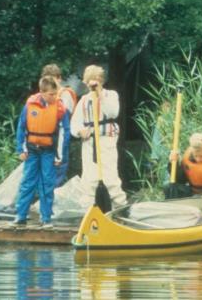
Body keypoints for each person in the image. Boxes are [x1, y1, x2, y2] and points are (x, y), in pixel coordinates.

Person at [12, 76, 70, 228]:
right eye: (51, 94)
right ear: (42, 92)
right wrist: (21, 149)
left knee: (47, 183)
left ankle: (46, 218)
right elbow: (22, 128)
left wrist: (60, 155)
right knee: (27, 182)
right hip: (31, 149)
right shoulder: (30, 105)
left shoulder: (60, 108)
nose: (54, 97)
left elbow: (65, 133)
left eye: (56, 93)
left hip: (49, 151)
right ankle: (21, 215)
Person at [70, 65, 127, 207]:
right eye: (89, 80)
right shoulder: (83, 100)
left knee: (110, 177)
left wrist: (100, 94)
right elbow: (74, 124)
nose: (92, 84)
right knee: (89, 178)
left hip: (106, 140)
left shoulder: (111, 95)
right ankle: (89, 210)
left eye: (96, 80)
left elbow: (113, 113)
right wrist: (79, 131)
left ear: (101, 80)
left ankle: (119, 206)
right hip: (89, 143)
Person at [41, 64, 77, 187]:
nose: (50, 83)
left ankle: (54, 196)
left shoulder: (65, 94)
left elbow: (65, 120)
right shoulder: (45, 95)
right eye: (47, 80)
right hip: (46, 136)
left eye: (53, 79)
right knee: (45, 169)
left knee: (59, 167)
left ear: (59, 78)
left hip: (60, 134)